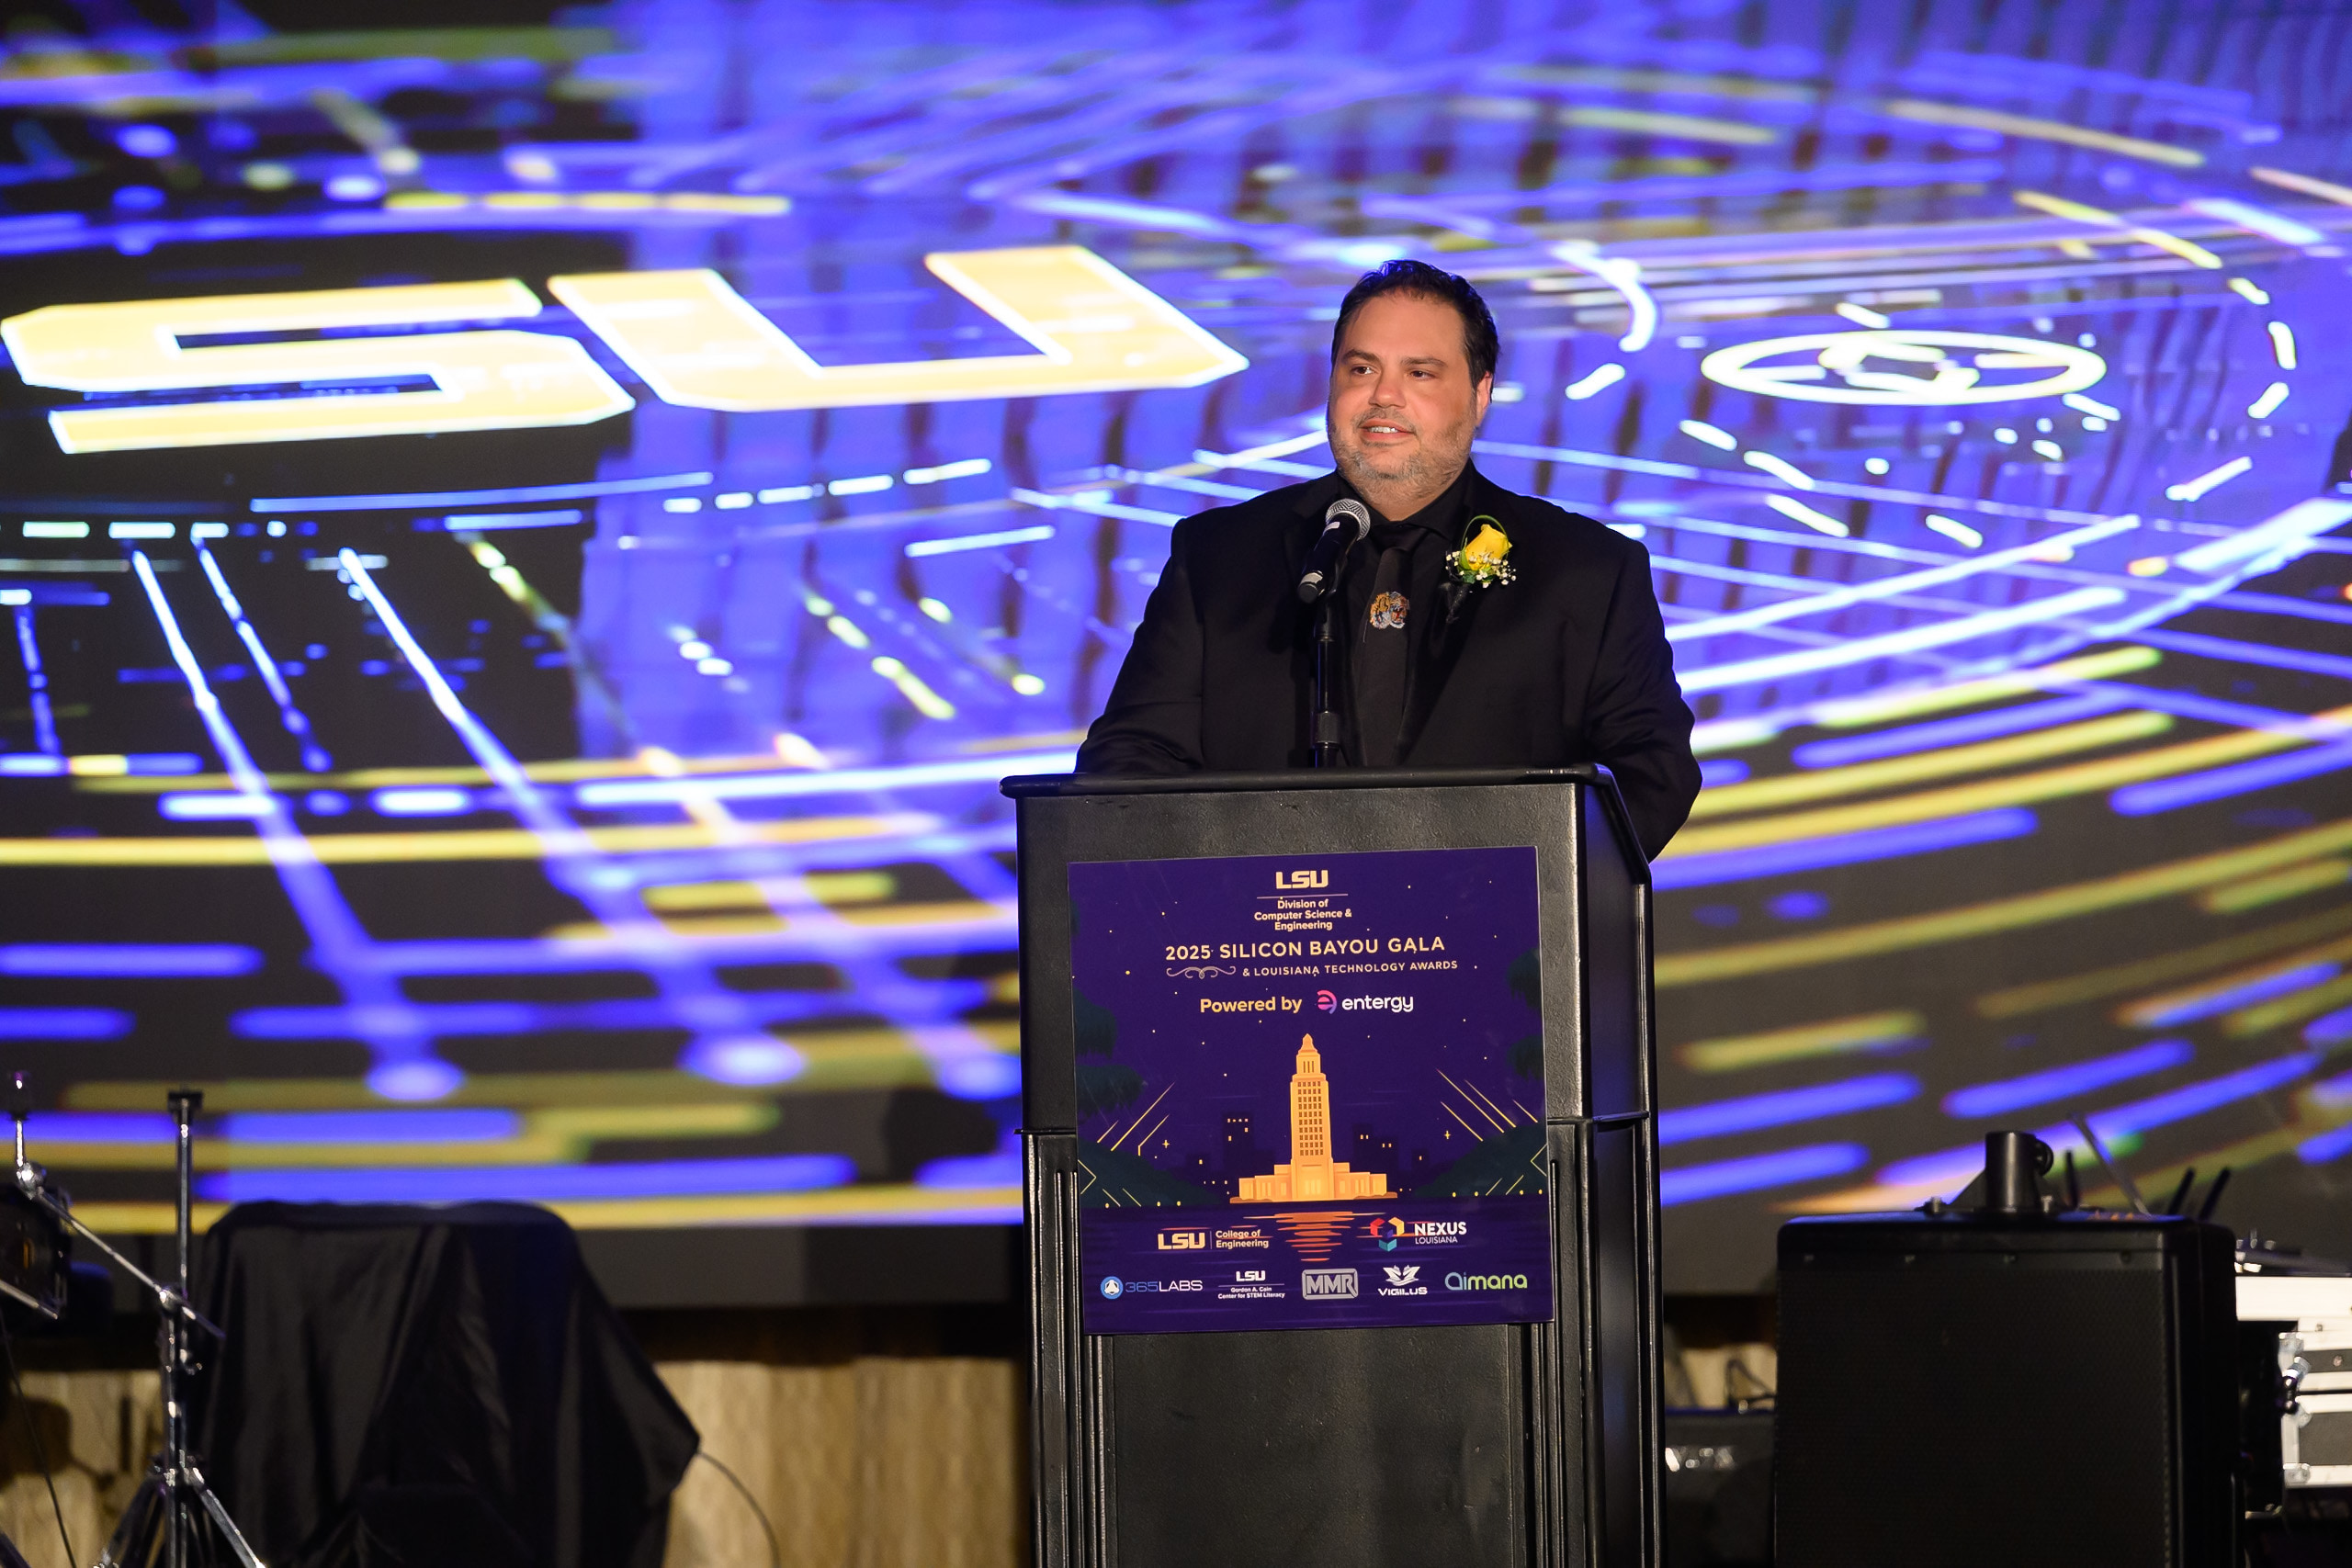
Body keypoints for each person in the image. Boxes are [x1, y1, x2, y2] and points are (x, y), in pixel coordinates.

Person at [1076, 258, 1701, 860]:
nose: (1384, 397)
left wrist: (1518, 896)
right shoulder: (1218, 557)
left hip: (1493, 952)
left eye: (1421, 373)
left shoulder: (1587, 572)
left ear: (1480, 395)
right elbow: (1129, 762)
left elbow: (1651, 770)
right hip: (1268, 948)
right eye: (1361, 369)